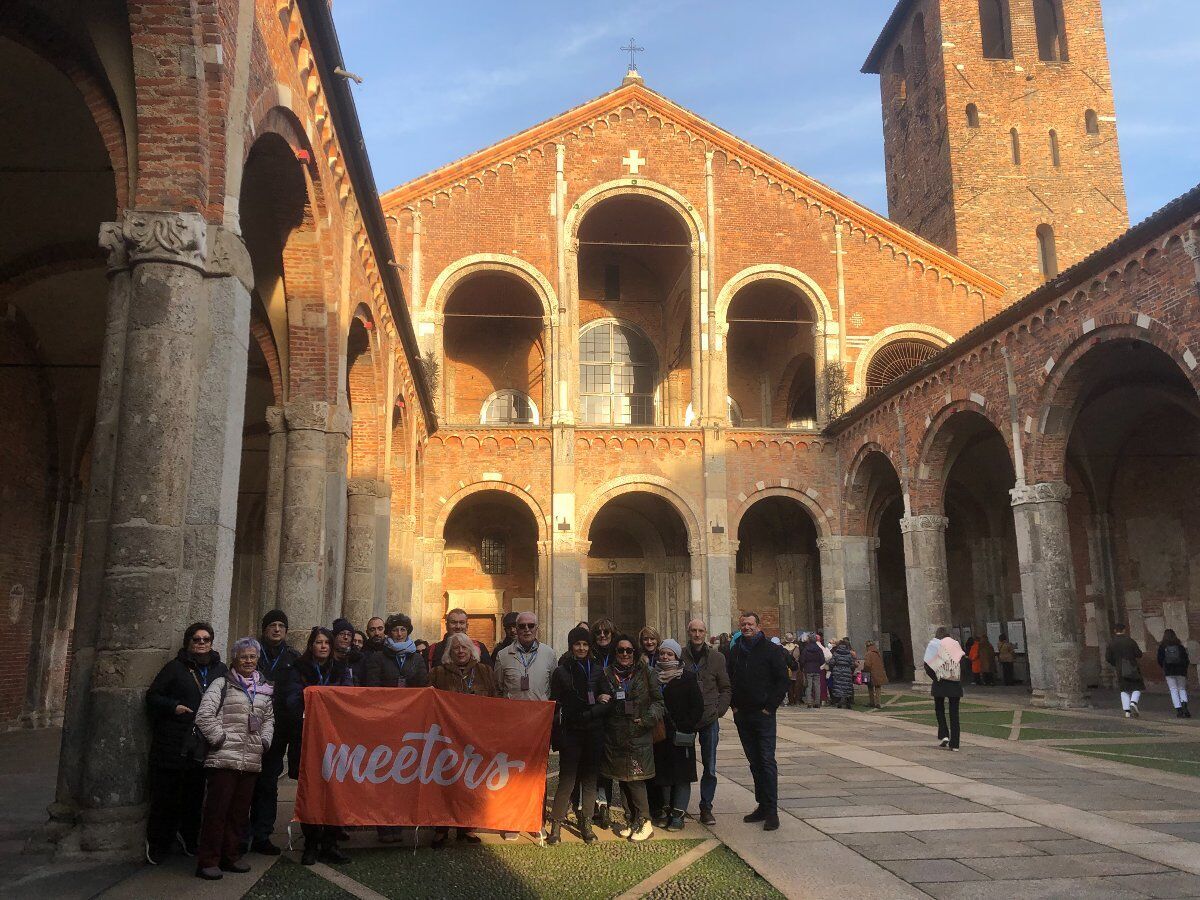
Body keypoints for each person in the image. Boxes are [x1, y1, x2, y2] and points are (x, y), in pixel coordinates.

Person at [145, 622, 229, 865]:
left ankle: (190, 838)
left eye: (205, 639)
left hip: (202, 744)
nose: (201, 643)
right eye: (196, 639)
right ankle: (159, 843)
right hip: (174, 741)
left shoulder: (220, 670)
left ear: (212, 643)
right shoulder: (175, 668)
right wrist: (174, 707)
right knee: (166, 796)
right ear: (188, 642)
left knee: (194, 795)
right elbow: (153, 696)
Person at [193, 638, 275, 880]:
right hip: (224, 758)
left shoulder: (264, 689)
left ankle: (231, 856)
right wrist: (220, 739)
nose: (248, 661)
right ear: (235, 659)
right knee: (216, 811)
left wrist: (264, 741)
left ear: (258, 659)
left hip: (250, 758)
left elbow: (269, 719)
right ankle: (208, 860)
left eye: (252, 657)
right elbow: (204, 715)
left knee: (239, 812)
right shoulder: (222, 683)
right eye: (243, 657)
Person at [281, 627, 353, 865]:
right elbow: (292, 700)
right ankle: (311, 843)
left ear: (331, 647)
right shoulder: (297, 670)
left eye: (326, 643)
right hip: (307, 738)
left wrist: (318, 697)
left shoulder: (342, 670)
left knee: (335, 791)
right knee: (310, 792)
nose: (322, 646)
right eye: (318, 642)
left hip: (335, 740)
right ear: (311, 645)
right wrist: (318, 696)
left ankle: (330, 843)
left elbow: (349, 700)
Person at [430, 632, 499, 847]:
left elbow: (495, 701)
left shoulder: (485, 672)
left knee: (471, 784)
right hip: (446, 739)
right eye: (456, 648)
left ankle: (467, 826)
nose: (460, 651)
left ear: (472, 651)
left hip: (475, 738)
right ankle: (441, 828)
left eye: (464, 648)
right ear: (450, 652)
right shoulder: (438, 673)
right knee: (445, 784)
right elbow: (429, 704)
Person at [494, 611, 556, 839]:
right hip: (513, 724)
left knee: (537, 773)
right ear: (515, 629)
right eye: (522, 626)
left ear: (537, 628)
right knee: (512, 772)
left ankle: (535, 819)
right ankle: (511, 819)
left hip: (539, 724)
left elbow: (552, 686)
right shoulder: (503, 655)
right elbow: (499, 687)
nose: (527, 630)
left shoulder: (549, 654)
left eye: (531, 626)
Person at [546, 626, 609, 845]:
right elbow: (556, 703)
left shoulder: (598, 670)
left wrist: (591, 711)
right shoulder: (562, 671)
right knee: (567, 779)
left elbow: (609, 699)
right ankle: (556, 824)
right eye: (577, 644)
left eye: (584, 644)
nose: (581, 648)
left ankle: (587, 823)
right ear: (571, 647)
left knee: (590, 780)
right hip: (571, 733)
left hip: (593, 732)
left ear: (589, 647)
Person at [599, 635, 663, 842]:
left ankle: (645, 821)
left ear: (635, 652)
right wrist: (601, 698)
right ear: (615, 653)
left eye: (629, 650)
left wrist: (645, 719)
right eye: (620, 650)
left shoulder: (647, 672)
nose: (625, 654)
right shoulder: (607, 674)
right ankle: (632, 819)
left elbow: (658, 702)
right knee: (622, 780)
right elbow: (600, 697)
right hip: (616, 735)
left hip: (638, 734)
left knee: (636, 780)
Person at [728, 612, 789, 831]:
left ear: (758, 626)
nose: (746, 627)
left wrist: (769, 707)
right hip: (742, 714)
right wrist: (733, 705)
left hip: (763, 715)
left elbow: (783, 680)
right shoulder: (735, 651)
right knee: (754, 762)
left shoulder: (771, 650)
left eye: (750, 624)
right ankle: (762, 806)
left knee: (766, 761)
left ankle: (772, 811)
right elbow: (730, 679)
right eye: (743, 624)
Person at [248, 609, 298, 856]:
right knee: (246, 781)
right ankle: (241, 832)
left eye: (281, 625)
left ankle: (262, 834)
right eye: (272, 625)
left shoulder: (293, 657)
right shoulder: (251, 653)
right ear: (265, 629)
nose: (276, 629)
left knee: (268, 782)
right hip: (249, 725)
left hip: (278, 729)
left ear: (286, 630)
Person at [651, 640, 702, 831]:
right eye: (662, 653)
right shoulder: (653, 677)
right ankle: (665, 810)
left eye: (669, 654)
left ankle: (678, 814)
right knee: (663, 775)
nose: (665, 657)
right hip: (661, 735)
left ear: (677, 657)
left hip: (681, 734)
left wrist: (687, 726)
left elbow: (697, 706)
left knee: (682, 776)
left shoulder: (687, 677)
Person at [683, 619, 730, 826]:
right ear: (688, 632)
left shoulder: (717, 658)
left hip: (709, 718)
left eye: (700, 631)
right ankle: (679, 807)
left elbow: (726, 687)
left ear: (705, 633)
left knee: (709, 766)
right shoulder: (680, 656)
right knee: (682, 765)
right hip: (686, 719)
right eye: (693, 630)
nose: (697, 634)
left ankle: (706, 807)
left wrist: (719, 711)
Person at [589, 617, 618, 828]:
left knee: (611, 763)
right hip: (595, 715)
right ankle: (596, 805)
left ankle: (608, 804)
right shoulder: (589, 656)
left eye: (606, 633)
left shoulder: (621, 655)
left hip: (616, 717)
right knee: (595, 764)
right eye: (598, 632)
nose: (602, 636)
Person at [361, 613, 429, 689]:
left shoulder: (417, 658)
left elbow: (423, 685)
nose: (399, 634)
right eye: (395, 630)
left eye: (403, 630)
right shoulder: (378, 657)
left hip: (411, 700)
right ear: (390, 633)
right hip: (387, 699)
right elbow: (373, 686)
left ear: (407, 632)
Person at [923, 627, 964, 751]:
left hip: (940, 682)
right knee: (954, 714)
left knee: (939, 709)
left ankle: (944, 734)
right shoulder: (955, 645)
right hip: (955, 682)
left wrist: (935, 677)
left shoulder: (935, 645)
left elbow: (927, 665)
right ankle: (955, 744)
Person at [427, 607, 492, 670]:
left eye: (461, 623)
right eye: (453, 622)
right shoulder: (432, 650)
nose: (458, 626)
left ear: (467, 626)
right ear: (446, 626)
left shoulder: (480, 648)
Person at [1106, 624, 1145, 718]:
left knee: (1124, 689)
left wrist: (1115, 664)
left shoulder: (1111, 643)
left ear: (1115, 631)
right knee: (1137, 686)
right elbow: (1139, 654)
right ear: (1124, 630)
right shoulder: (1130, 641)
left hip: (1119, 668)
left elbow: (1108, 657)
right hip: (1132, 667)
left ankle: (1127, 711)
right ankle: (1133, 702)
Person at [1157, 629, 1191, 718]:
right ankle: (1185, 709)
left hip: (1169, 671)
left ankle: (1179, 710)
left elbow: (1159, 659)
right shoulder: (1180, 646)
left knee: (1173, 690)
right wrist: (1184, 669)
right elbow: (1186, 659)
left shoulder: (1162, 647)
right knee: (1182, 689)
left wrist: (1164, 667)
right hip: (1181, 671)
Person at [331, 617, 363, 682]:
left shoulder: (358, 659)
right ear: (334, 636)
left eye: (349, 635)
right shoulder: (327, 657)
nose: (345, 637)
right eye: (342, 634)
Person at [829, 637, 857, 709]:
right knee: (847, 686)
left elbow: (832, 662)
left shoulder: (836, 653)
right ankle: (847, 701)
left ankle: (840, 701)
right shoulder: (849, 654)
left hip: (838, 670)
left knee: (839, 686)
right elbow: (852, 664)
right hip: (847, 670)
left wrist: (834, 667)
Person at [800, 633, 825, 709]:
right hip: (817, 669)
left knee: (808, 686)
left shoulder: (806, 649)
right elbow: (822, 660)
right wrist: (818, 664)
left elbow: (802, 660)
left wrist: (803, 666)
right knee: (817, 686)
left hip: (808, 669)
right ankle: (817, 702)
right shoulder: (819, 649)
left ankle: (809, 702)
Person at [862, 639, 888, 708]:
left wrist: (864, 670)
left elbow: (867, 664)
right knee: (878, 688)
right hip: (878, 672)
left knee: (870, 688)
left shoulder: (868, 653)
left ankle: (872, 702)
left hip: (871, 673)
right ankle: (878, 702)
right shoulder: (877, 653)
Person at [781, 632, 802, 707]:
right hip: (795, 667)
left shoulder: (782, 647)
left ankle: (791, 700)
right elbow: (798, 657)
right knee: (796, 685)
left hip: (786, 667)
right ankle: (797, 700)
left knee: (789, 685)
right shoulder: (797, 646)